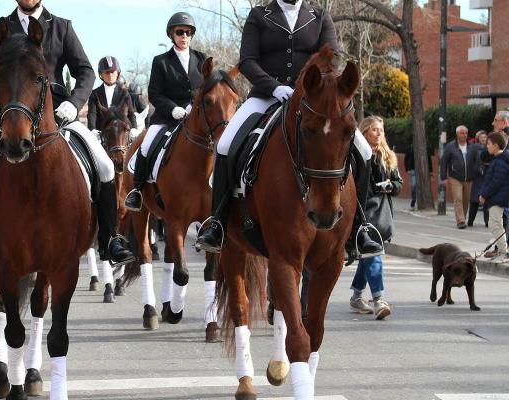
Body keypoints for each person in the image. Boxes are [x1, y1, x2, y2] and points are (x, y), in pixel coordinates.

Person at [0, 0, 135, 272]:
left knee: (105, 166)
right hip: (9, 115)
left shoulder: (61, 27)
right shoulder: (0, 28)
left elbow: (85, 71)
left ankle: (109, 239)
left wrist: (74, 101)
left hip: (55, 113)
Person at [195, 1, 381, 259]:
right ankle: (218, 222)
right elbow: (248, 61)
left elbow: (332, 58)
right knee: (225, 144)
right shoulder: (259, 15)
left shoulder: (319, 16)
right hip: (266, 97)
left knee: (364, 150)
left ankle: (361, 226)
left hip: (311, 101)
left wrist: (311, 90)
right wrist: (274, 87)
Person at [124, 12, 206, 211]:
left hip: (195, 118)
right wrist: (173, 109)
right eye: (180, 32)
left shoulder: (201, 59)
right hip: (167, 118)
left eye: (188, 32)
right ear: (171, 34)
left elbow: (207, 90)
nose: (184, 36)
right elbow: (154, 93)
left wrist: (194, 106)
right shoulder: (161, 61)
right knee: (145, 146)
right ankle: (137, 190)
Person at [349, 116, 402, 320]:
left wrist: (391, 186)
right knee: (373, 254)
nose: (379, 134)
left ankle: (356, 296)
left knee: (368, 256)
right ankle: (379, 300)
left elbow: (399, 183)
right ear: (364, 133)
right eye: (374, 130)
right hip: (364, 213)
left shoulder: (388, 156)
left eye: (380, 130)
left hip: (383, 213)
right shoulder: (357, 155)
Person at [87, 56, 139, 136]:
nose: (110, 75)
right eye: (107, 72)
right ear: (101, 74)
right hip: (101, 134)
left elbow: (131, 113)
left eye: (113, 72)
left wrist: (134, 128)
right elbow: (92, 114)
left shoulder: (124, 93)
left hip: (121, 134)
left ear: (117, 73)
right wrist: (92, 129)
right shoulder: (94, 94)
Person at [440, 125, 479, 229]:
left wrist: (477, 171)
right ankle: (460, 220)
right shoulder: (450, 147)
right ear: (457, 134)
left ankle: (462, 218)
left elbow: (477, 160)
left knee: (466, 199)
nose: (464, 135)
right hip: (455, 177)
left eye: (466, 133)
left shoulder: (472, 146)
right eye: (462, 133)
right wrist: (443, 177)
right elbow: (444, 161)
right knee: (458, 198)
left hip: (469, 177)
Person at [479, 132, 509, 260]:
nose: (487, 147)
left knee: (495, 224)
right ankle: (502, 251)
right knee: (496, 224)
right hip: (498, 197)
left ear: (496, 145)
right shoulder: (498, 159)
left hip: (498, 198)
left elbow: (496, 181)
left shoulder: (500, 161)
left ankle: (503, 251)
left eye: (489, 144)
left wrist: (484, 195)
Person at [468, 131, 489, 227]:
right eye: (481, 137)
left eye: (485, 137)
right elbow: (471, 161)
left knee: (487, 200)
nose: (483, 139)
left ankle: (487, 222)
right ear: (478, 138)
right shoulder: (475, 147)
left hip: (487, 176)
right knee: (475, 201)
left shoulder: (489, 147)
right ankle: (470, 221)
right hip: (478, 177)